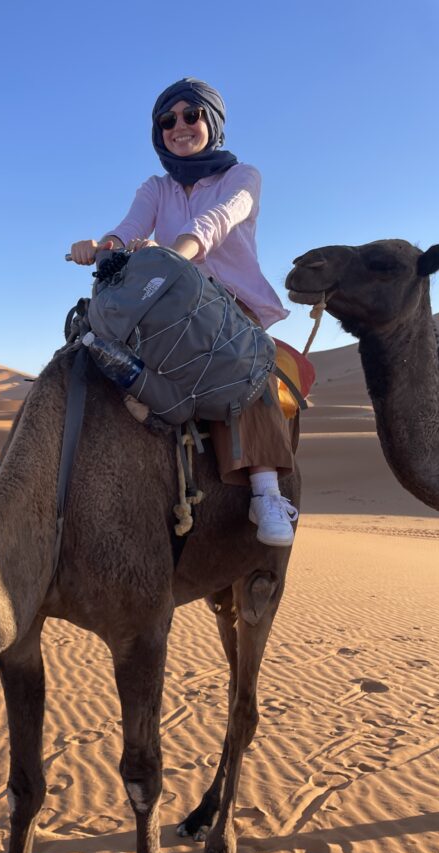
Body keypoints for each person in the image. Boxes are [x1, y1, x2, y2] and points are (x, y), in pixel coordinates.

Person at [70, 77, 298, 547]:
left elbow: (214, 222)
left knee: (247, 362)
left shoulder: (242, 177)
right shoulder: (156, 187)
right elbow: (129, 227)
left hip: (229, 297)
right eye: (166, 119)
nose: (179, 126)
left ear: (211, 123)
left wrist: (175, 256)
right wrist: (102, 246)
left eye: (191, 115)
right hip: (161, 297)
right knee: (91, 345)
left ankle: (266, 491)